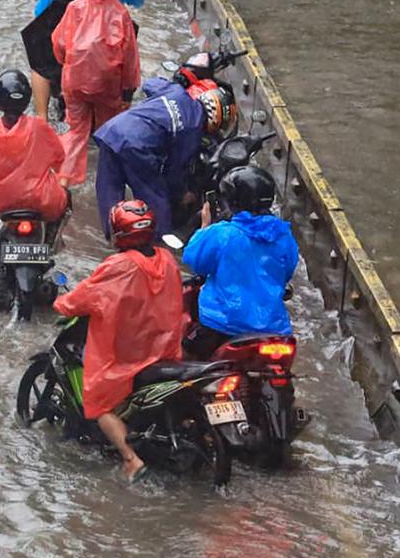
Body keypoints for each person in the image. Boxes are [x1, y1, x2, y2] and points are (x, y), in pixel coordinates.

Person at [52, 201, 188, 482]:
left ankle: (131, 459)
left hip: (129, 351)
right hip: (164, 346)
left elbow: (87, 296)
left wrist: (62, 302)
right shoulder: (166, 259)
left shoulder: (119, 265)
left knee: (98, 402)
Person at [92, 77, 237, 239]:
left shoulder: (176, 92)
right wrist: (182, 194)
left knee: (109, 190)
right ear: (216, 117)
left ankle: (112, 236)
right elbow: (174, 170)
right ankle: (158, 246)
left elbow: (149, 83)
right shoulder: (192, 130)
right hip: (138, 148)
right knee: (157, 202)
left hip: (113, 131)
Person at [182, 166, 299, 358]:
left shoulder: (221, 233)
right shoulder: (283, 236)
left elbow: (195, 262)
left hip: (221, 325)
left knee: (184, 358)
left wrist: (204, 228)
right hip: (273, 329)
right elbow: (286, 271)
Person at [0, 70, 69, 269]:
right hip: (41, 201)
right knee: (66, 198)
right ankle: (50, 245)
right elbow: (59, 157)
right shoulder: (39, 127)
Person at [50, 0, 140, 186]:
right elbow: (129, 57)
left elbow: (59, 43)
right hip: (108, 87)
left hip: (75, 83)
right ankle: (110, 180)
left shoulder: (74, 8)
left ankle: (64, 182)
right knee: (109, 132)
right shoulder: (120, 13)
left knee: (75, 131)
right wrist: (128, 93)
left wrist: (66, 64)